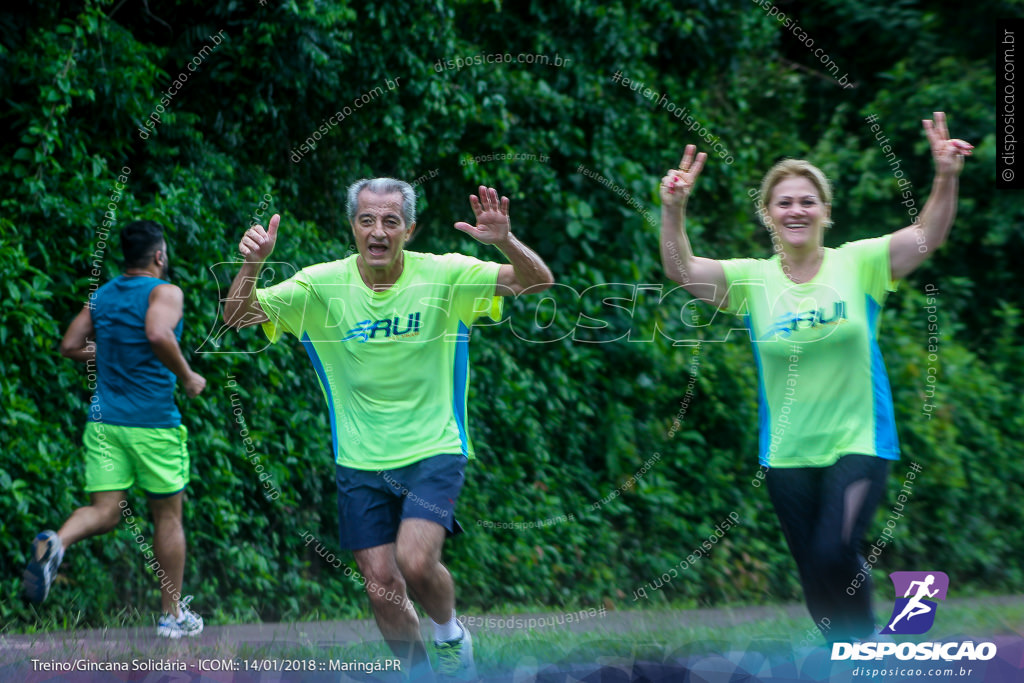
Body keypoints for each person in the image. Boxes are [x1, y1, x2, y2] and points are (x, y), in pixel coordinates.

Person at [657, 112, 972, 642]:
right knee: (812, 570)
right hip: (786, 452)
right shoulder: (752, 279)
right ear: (768, 215)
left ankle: (873, 642)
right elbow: (682, 270)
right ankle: (852, 651)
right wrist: (673, 210)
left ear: (825, 212)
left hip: (859, 440)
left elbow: (927, 237)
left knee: (834, 550)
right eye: (784, 201)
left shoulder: (858, 263)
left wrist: (945, 176)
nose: (795, 209)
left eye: (807, 200)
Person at [222, 179, 554, 678]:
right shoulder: (319, 285)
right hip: (359, 459)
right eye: (367, 220)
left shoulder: (446, 275)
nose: (378, 231)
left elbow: (537, 282)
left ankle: (449, 635)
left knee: (415, 561)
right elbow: (237, 317)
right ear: (353, 226)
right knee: (380, 582)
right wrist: (252, 265)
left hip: (434, 447)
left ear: (409, 229)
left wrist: (505, 240)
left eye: (391, 221)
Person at [23, 220, 207, 639]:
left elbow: (70, 345)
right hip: (154, 426)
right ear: (159, 256)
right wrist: (187, 375)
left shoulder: (102, 296)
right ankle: (172, 616)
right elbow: (158, 332)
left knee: (105, 512)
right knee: (167, 517)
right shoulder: (166, 292)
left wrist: (106, 350)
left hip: (105, 425)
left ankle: (58, 541)